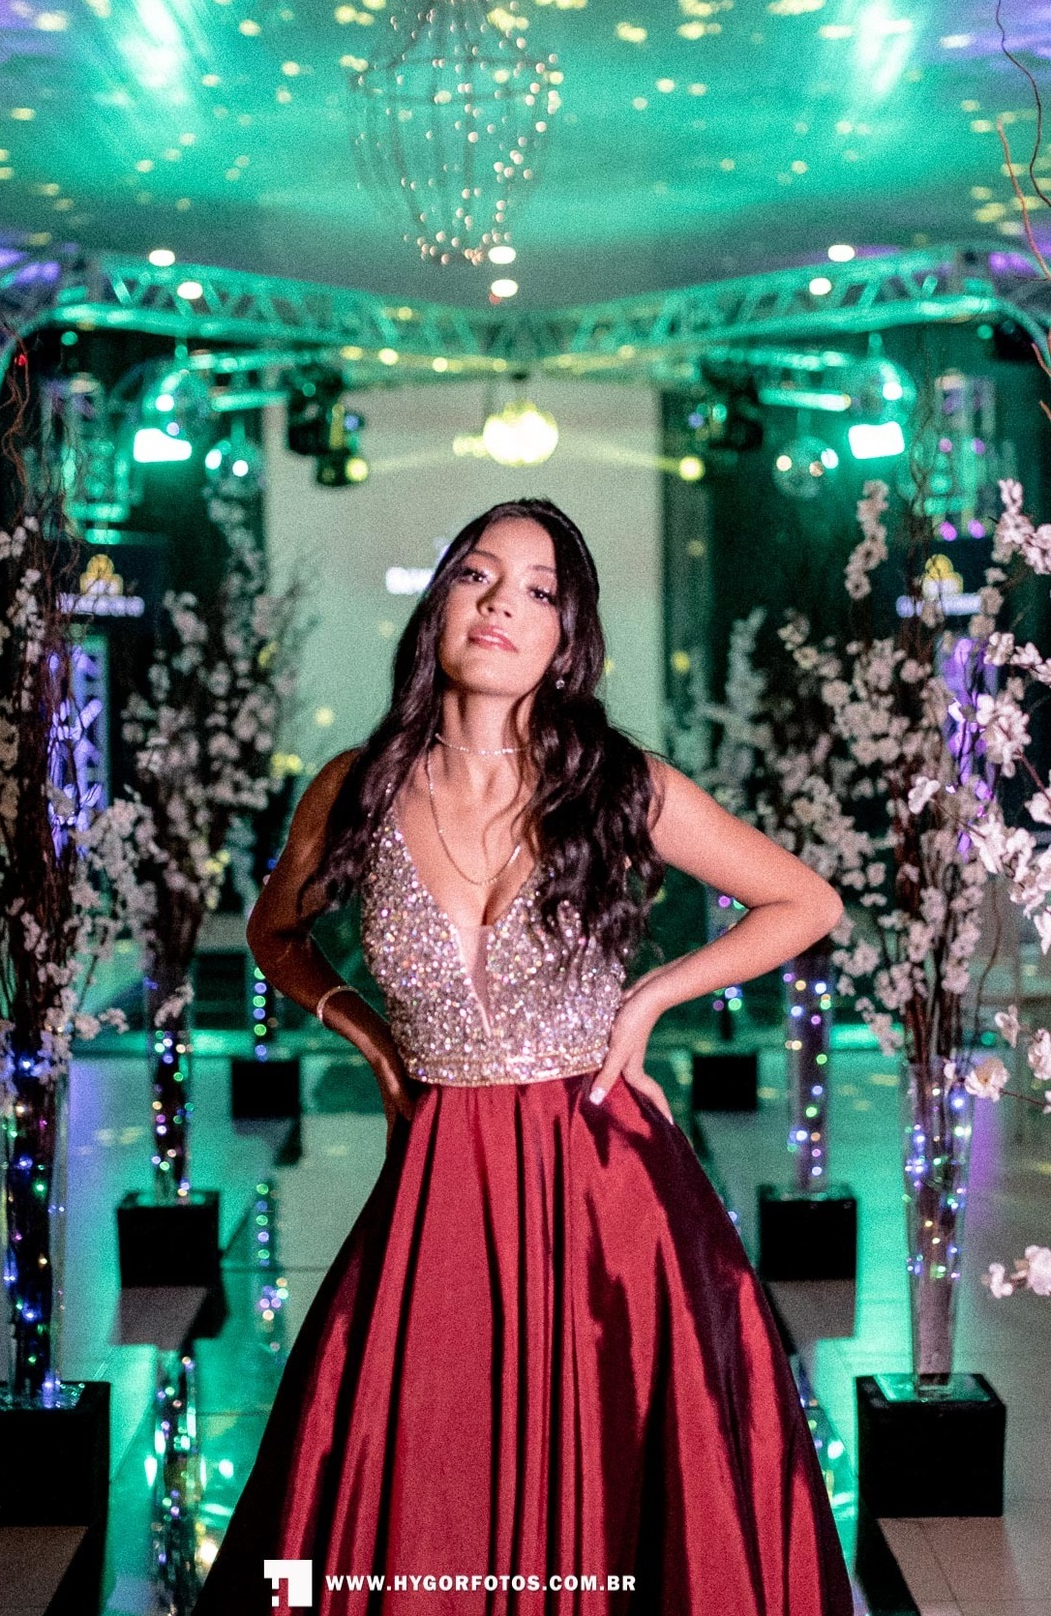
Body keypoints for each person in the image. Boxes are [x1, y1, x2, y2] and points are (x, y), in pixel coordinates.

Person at [194, 498, 853, 1615]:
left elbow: (806, 901)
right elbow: (275, 932)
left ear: (564, 636)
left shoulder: (616, 783)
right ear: (438, 602)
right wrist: (359, 1023)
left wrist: (651, 999)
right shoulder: (356, 786)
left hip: (610, 1193)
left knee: (622, 1481)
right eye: (477, 574)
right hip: (439, 1185)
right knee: (409, 1472)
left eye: (539, 591)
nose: (503, 603)